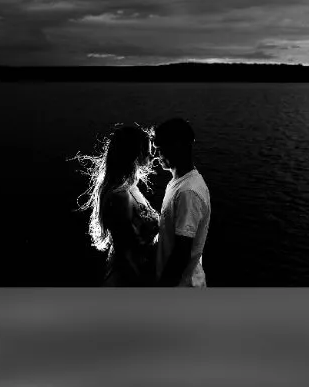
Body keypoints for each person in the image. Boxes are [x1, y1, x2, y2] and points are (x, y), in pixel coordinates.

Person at [75, 124, 159, 286]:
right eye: (148, 150)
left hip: (140, 272)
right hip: (129, 279)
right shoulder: (119, 196)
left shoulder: (131, 188)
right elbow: (125, 252)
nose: (152, 155)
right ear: (134, 153)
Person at [152, 118, 211, 287]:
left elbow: (181, 253)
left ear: (176, 146)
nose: (157, 156)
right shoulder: (178, 183)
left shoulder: (188, 192)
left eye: (160, 149)